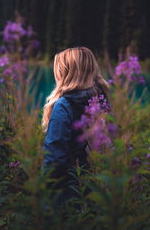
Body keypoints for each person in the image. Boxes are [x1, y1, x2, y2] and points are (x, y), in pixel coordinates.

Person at [42, 47, 110, 205]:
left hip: (70, 195)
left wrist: (46, 201)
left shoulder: (63, 105)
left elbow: (54, 160)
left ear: (67, 73)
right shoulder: (102, 101)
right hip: (101, 192)